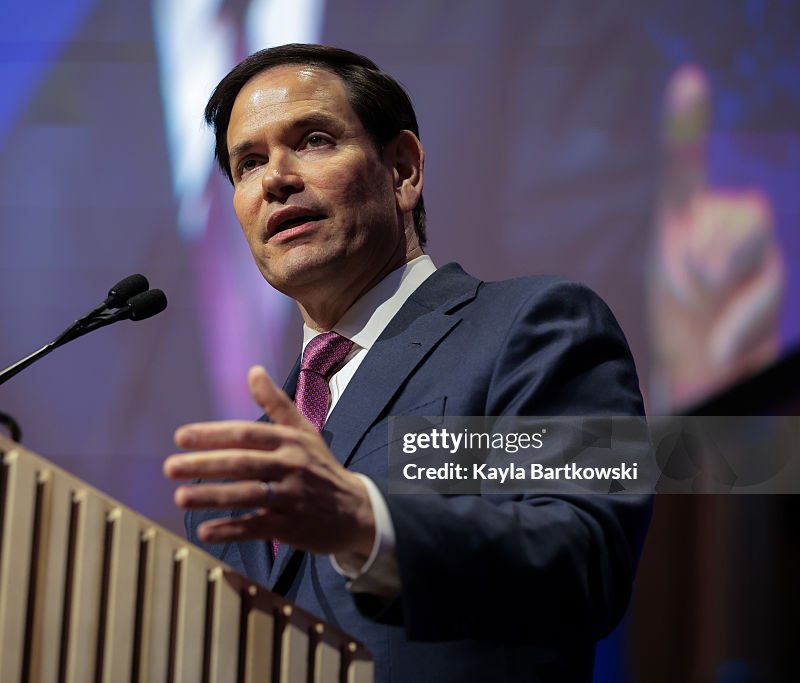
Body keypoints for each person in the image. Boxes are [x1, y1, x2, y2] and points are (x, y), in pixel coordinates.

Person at [163, 44, 652, 682]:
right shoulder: (236, 480)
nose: (275, 178)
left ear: (402, 170)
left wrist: (367, 522)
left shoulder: (534, 328)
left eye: (311, 140)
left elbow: (586, 557)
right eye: (248, 163)